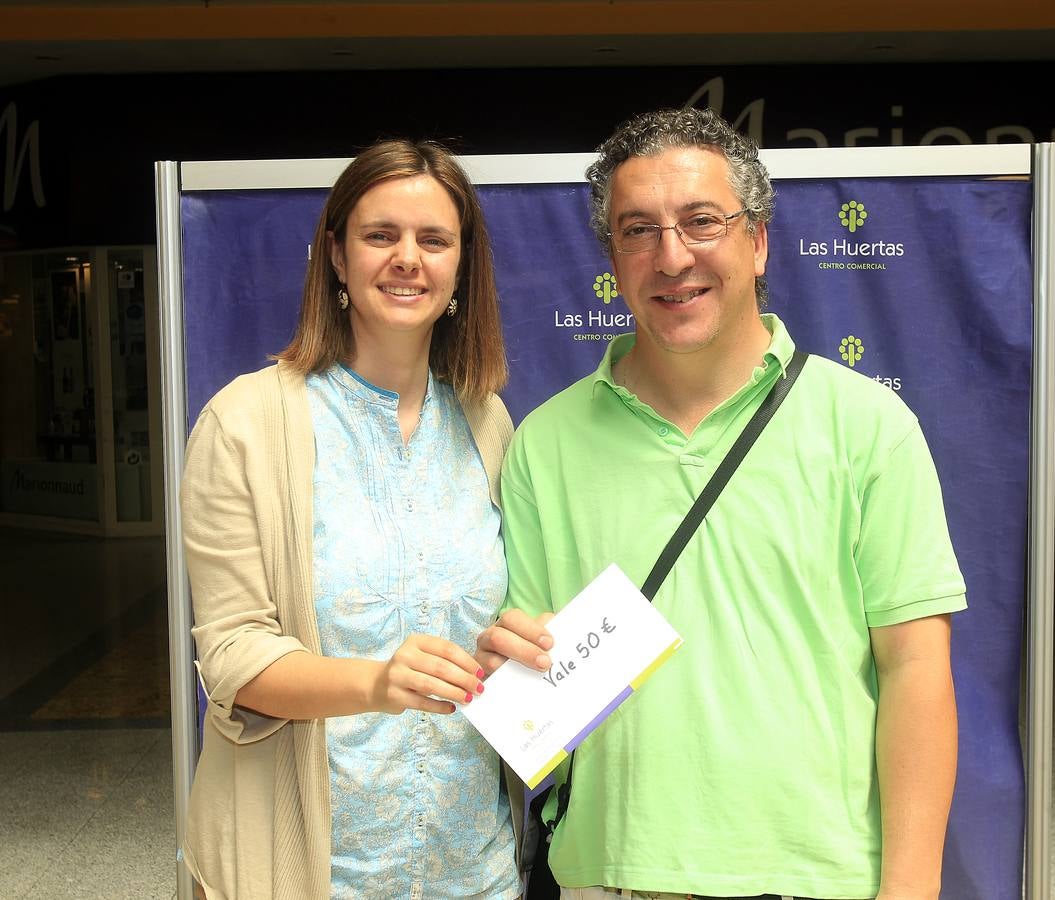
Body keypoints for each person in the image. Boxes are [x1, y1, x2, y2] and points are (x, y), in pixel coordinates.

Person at [477, 108, 966, 900]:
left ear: (758, 239)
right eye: (638, 231)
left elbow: (914, 667)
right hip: (612, 876)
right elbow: (532, 682)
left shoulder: (867, 425)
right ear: (612, 256)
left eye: (701, 221)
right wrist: (507, 657)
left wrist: (909, 887)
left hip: (818, 878)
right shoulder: (544, 441)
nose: (671, 257)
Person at [181, 139, 523, 900]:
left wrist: (520, 646)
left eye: (434, 239)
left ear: (462, 266)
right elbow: (233, 658)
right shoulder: (243, 423)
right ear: (336, 257)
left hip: (477, 869)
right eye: (381, 236)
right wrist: (376, 681)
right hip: (310, 871)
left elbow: (501, 615)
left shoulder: (485, 421)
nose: (408, 258)